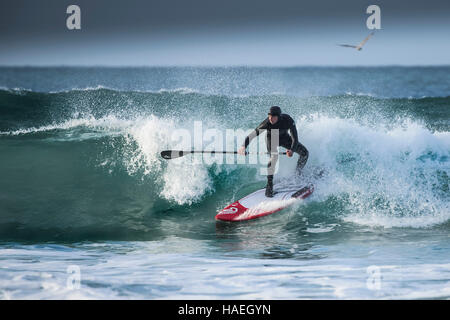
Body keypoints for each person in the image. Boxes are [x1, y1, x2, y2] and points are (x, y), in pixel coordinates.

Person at [238, 106, 309, 197]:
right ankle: (269, 188)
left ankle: (298, 174)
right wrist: (243, 146)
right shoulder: (267, 123)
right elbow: (252, 135)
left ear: (279, 116)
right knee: (274, 158)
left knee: (305, 153)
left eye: (273, 116)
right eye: (269, 116)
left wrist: (292, 150)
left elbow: (295, 138)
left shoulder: (288, 120)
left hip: (284, 138)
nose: (270, 118)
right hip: (272, 138)